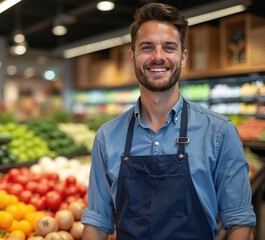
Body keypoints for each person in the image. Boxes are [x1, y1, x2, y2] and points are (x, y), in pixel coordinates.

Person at [81, 2, 256, 240]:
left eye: (169, 47)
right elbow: (98, 223)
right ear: (132, 57)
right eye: (147, 47)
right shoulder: (106, 137)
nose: (158, 57)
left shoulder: (219, 132)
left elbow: (239, 222)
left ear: (183, 57)